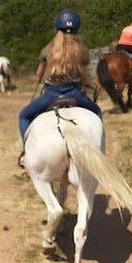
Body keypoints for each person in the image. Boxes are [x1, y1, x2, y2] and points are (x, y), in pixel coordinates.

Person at [17, 10, 102, 167]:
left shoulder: (47, 50)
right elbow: (83, 75)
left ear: (57, 28)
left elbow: (39, 75)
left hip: (51, 94)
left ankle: (26, 152)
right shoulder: (82, 51)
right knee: (97, 112)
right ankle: (100, 153)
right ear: (77, 29)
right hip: (76, 94)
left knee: (23, 116)